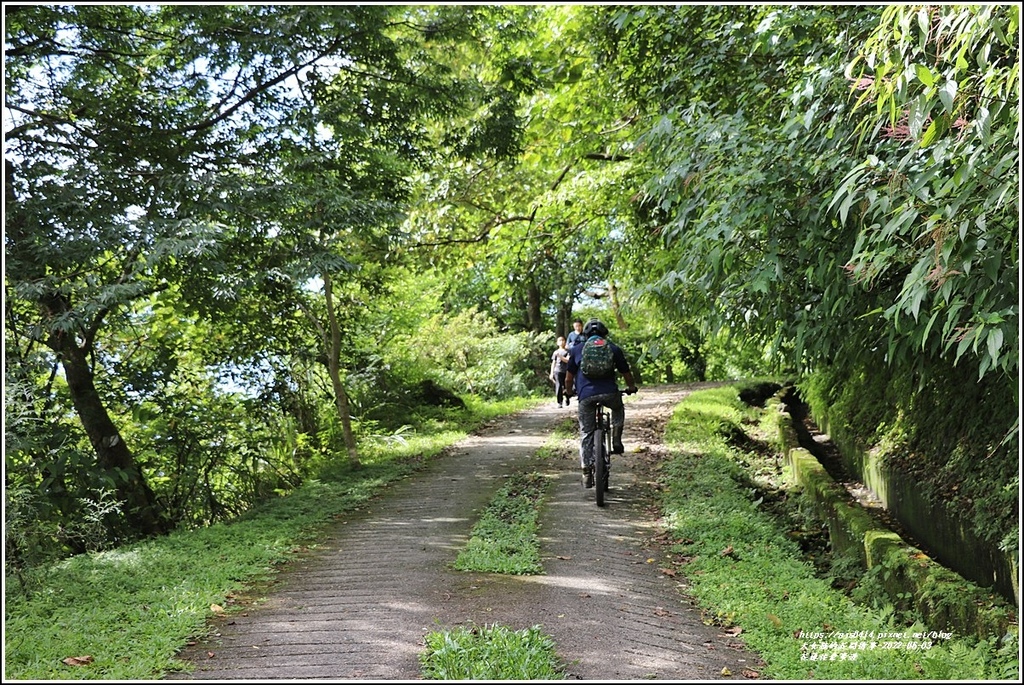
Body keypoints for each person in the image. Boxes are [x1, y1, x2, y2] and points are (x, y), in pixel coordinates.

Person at [564, 318, 638, 488]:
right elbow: (626, 373)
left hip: (586, 398)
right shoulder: (613, 348)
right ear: (604, 334)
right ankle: (616, 438)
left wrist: (569, 392)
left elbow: (568, 379)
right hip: (610, 394)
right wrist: (631, 387)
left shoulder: (576, 350)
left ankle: (586, 471)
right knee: (618, 408)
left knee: (586, 433)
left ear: (586, 334)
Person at [549, 335, 571, 407]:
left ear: (565, 342)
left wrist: (560, 356)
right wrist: (551, 373)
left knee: (566, 386)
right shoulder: (555, 352)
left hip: (566, 371)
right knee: (558, 386)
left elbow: (567, 360)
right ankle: (559, 402)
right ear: (557, 343)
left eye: (563, 340)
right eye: (560, 340)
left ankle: (567, 398)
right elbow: (553, 362)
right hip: (557, 371)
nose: (561, 342)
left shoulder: (568, 351)